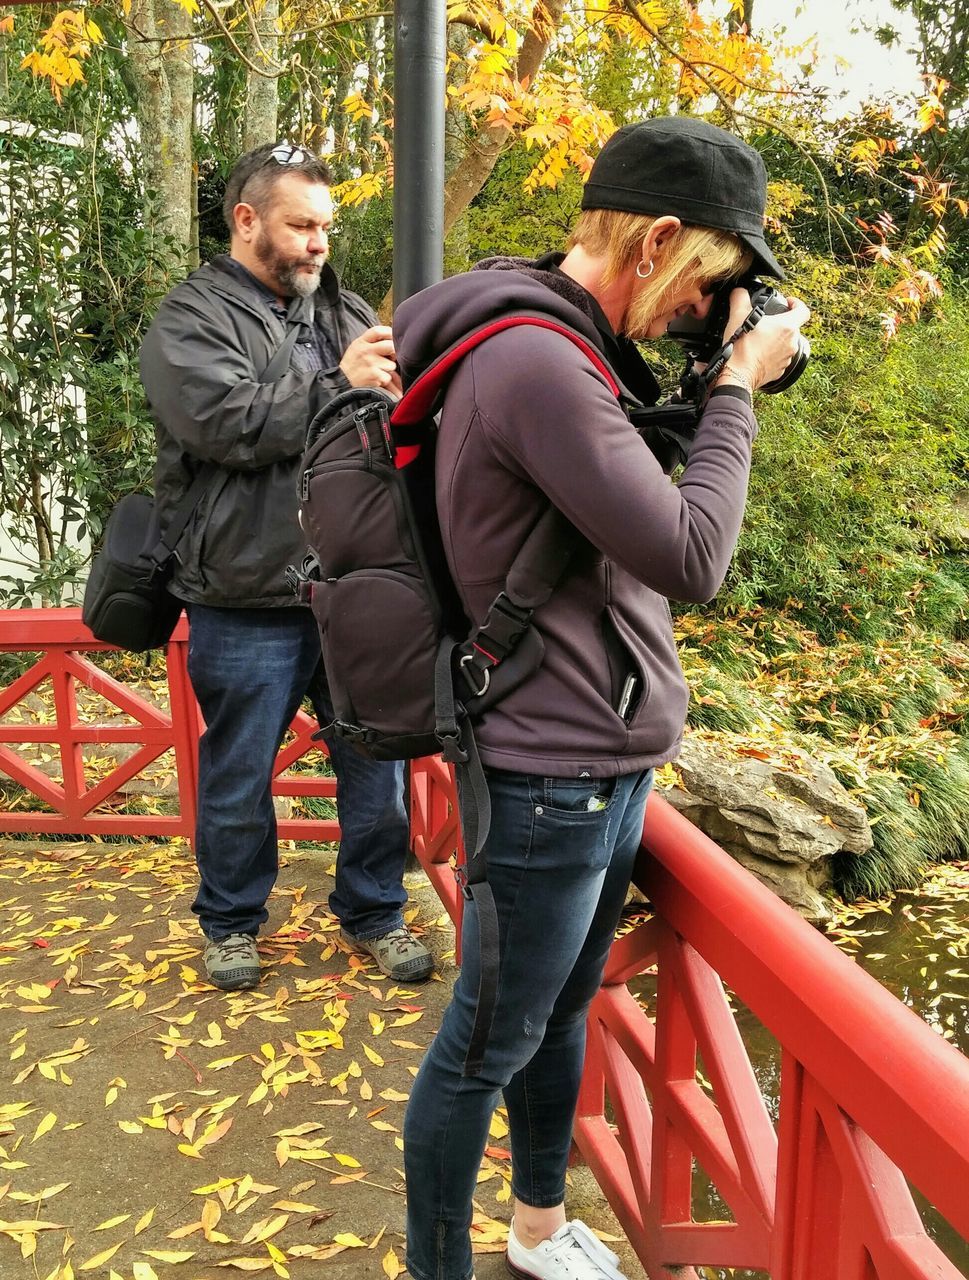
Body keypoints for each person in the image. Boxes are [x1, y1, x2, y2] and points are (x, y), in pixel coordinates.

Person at [392, 116, 810, 1280]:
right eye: (706, 287)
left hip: (597, 756)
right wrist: (735, 385)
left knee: (557, 1010)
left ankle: (534, 1228)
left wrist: (705, 375)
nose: (699, 314)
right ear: (659, 239)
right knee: (484, 1040)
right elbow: (691, 555)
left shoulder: (565, 341)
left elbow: (617, 503)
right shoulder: (535, 358)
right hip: (549, 771)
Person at [139, 142, 434, 992]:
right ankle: (231, 923)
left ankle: (375, 910)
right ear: (246, 220)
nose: (318, 243)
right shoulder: (191, 317)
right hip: (242, 591)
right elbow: (221, 424)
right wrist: (338, 385)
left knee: (377, 763)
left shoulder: (344, 310)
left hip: (354, 589)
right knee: (238, 775)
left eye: (326, 228)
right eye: (301, 225)